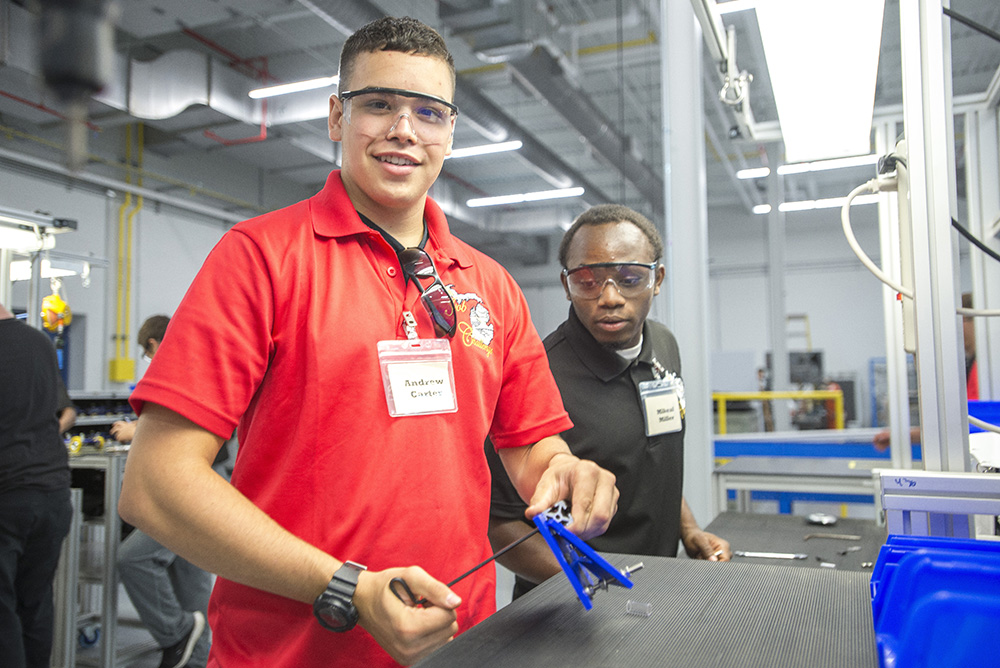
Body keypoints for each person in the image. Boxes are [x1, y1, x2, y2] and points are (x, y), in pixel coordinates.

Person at [118, 16, 619, 668]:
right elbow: (155, 485)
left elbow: (532, 450)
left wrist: (568, 475)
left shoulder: (490, 287)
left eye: (428, 112)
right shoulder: (261, 259)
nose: (403, 129)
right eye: (378, 104)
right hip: (288, 653)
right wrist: (344, 586)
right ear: (335, 116)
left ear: (449, 132)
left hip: (459, 644)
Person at [487, 204, 731, 600]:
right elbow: (499, 525)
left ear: (657, 279)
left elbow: (654, 462)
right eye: (588, 281)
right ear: (566, 285)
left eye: (630, 278)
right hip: (572, 608)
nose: (611, 297)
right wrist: (596, 582)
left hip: (658, 590)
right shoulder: (535, 375)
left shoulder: (664, 346)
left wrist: (688, 530)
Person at [112, 315, 211, 668]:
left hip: (199, 486)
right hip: (202, 484)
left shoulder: (186, 363)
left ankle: (177, 633)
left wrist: (137, 430)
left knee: (133, 557)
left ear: (152, 345)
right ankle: (196, 658)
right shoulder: (195, 360)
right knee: (191, 576)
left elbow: (184, 418)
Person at [0, 300, 74, 668]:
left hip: (8, 494)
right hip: (53, 492)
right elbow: (65, 411)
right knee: (35, 602)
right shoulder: (39, 342)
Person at [873, 291, 980, 451]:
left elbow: (971, 426)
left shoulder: (983, 372)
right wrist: (902, 436)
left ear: (968, 321)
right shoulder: (970, 365)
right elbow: (956, 426)